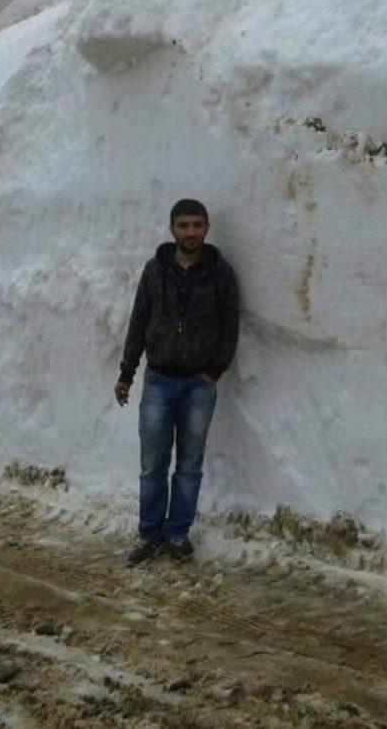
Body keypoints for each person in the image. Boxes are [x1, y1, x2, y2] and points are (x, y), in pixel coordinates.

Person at [115, 198, 240, 566]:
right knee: (153, 463)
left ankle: (177, 533)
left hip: (199, 386)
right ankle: (149, 534)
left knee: (189, 465)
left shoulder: (221, 274)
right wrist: (127, 373)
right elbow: (139, 322)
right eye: (183, 225)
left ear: (206, 228)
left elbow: (230, 325)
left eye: (197, 225)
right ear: (172, 228)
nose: (190, 232)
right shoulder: (155, 271)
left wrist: (215, 370)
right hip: (159, 382)